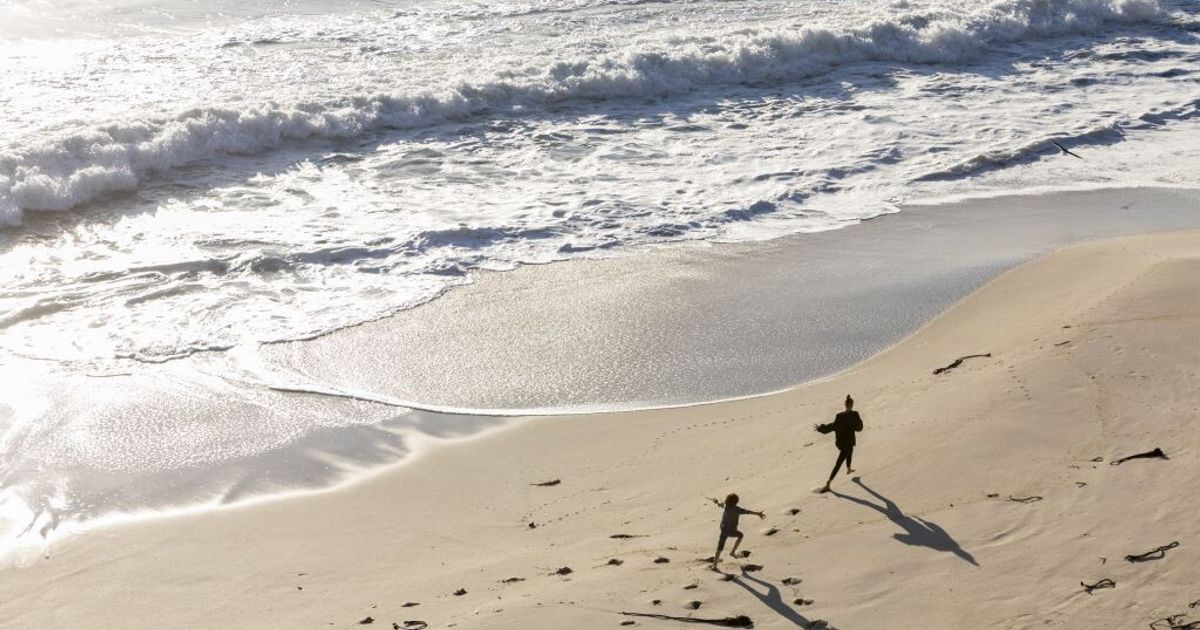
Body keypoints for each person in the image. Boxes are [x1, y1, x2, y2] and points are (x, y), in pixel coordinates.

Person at [815, 394, 863, 493]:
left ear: (845, 405)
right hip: (849, 440)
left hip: (841, 442)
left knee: (850, 450)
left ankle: (849, 469)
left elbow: (832, 427)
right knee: (839, 462)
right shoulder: (854, 414)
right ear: (852, 405)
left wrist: (821, 428)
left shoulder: (839, 416)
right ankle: (828, 482)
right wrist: (856, 422)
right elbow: (859, 428)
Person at [709, 493, 764, 568]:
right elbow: (748, 511)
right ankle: (733, 552)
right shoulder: (737, 509)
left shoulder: (726, 507)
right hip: (732, 531)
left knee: (720, 547)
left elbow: (720, 504)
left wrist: (716, 501)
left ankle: (715, 565)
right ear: (736, 502)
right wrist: (758, 513)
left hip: (724, 530)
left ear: (727, 500)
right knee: (741, 535)